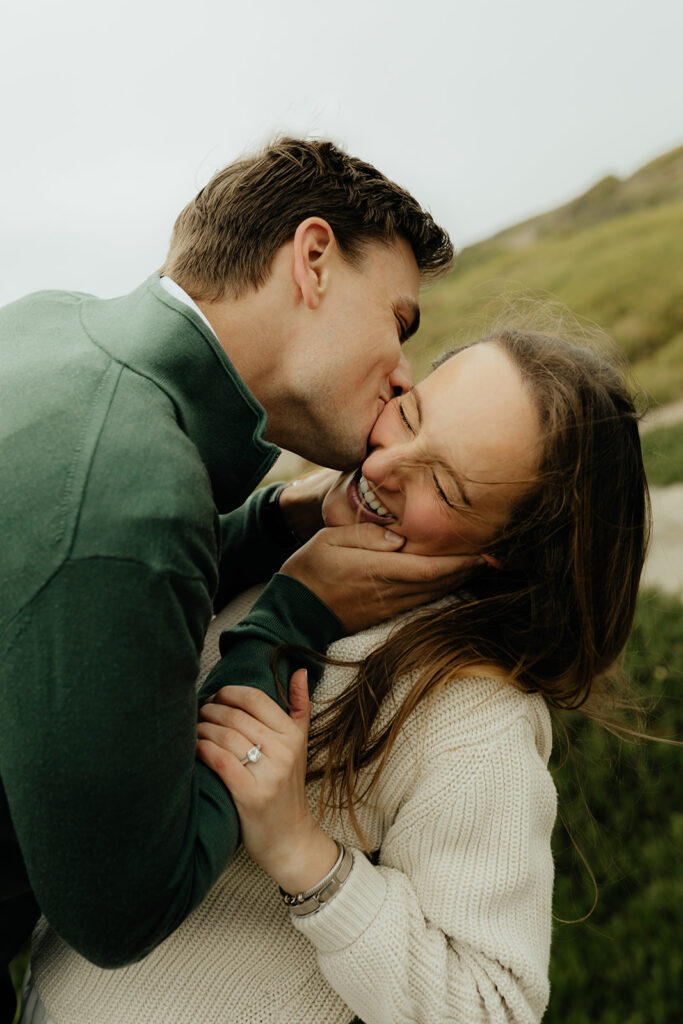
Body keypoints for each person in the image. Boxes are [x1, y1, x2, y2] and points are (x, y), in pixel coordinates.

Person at [20, 325, 650, 1023]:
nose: (385, 466)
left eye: (441, 482)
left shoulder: (472, 712)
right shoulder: (294, 557)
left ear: (504, 549)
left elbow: (492, 1007)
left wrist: (307, 859)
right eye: (408, 415)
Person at [0, 137, 473, 1023]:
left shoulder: (43, 323)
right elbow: (118, 913)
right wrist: (298, 609)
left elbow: (74, 576)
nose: (404, 368)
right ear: (315, 259)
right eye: (400, 321)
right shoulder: (135, 490)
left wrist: (276, 520)